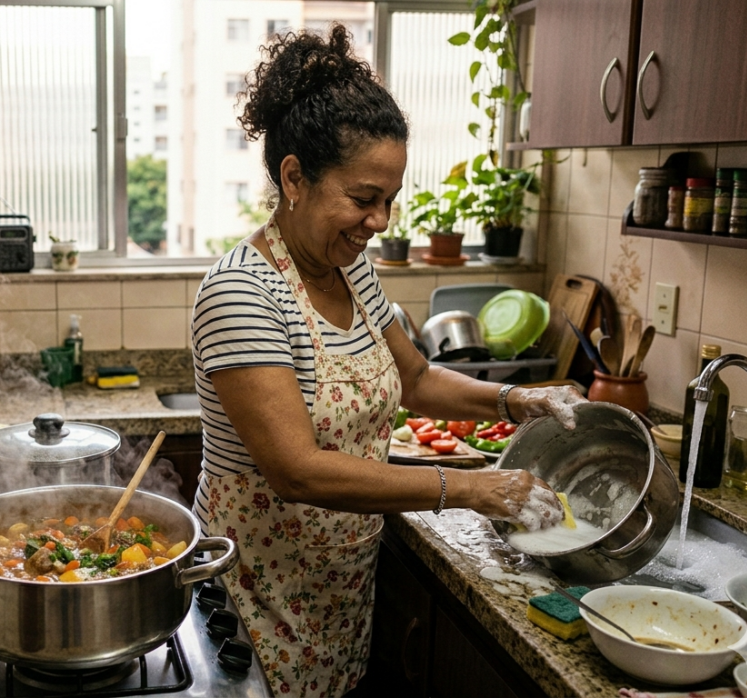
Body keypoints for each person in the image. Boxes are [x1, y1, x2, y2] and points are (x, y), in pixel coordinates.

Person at [189, 26, 585, 698]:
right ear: (294, 177)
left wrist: (518, 401)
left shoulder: (354, 269)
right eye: (363, 198)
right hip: (254, 592)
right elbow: (296, 470)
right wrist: (471, 487)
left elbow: (418, 379)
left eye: (389, 199)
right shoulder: (241, 292)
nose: (380, 219)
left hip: (339, 585)